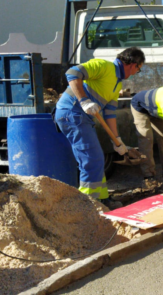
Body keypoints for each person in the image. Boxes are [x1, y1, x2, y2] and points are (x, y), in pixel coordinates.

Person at [54, 47, 145, 209]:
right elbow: (72, 73)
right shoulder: (104, 67)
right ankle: (88, 205)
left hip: (83, 118)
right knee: (92, 158)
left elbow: (110, 114)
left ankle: (101, 198)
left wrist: (117, 141)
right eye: (138, 70)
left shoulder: (117, 85)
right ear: (133, 63)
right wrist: (84, 100)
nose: (134, 73)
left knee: (96, 158)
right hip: (71, 112)